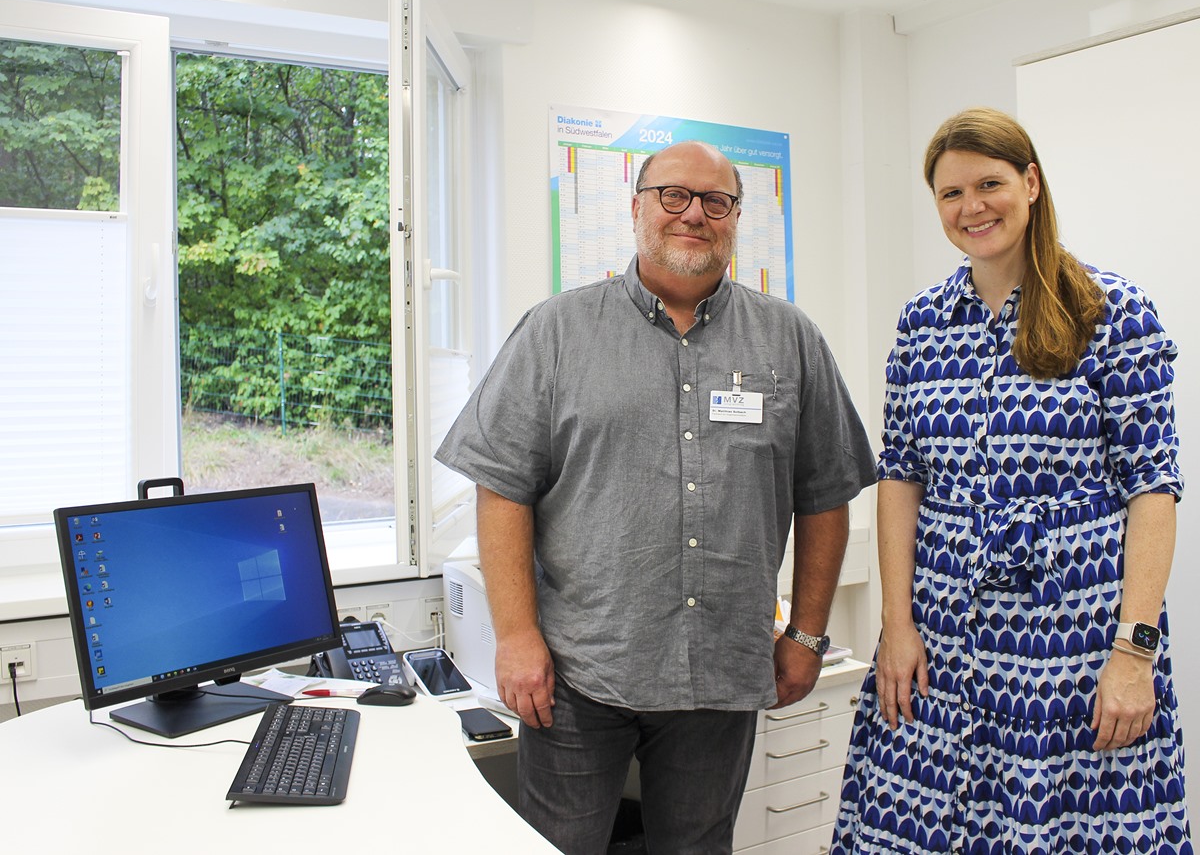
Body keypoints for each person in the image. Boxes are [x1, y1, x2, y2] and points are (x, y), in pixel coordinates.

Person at [437, 139, 877, 855]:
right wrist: (515, 638)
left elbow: (827, 495)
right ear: (638, 208)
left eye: (715, 201)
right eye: (674, 195)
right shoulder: (557, 331)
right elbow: (503, 488)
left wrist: (806, 635)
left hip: (723, 674)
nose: (693, 215)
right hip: (580, 672)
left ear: (735, 218)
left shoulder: (789, 339)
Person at [832, 107, 1191, 853]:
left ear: (1030, 183)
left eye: (989, 183)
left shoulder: (1111, 314)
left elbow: (1153, 487)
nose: (973, 208)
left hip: (1071, 649)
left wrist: (1134, 653)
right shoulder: (923, 323)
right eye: (950, 194)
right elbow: (900, 476)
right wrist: (896, 625)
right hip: (938, 640)